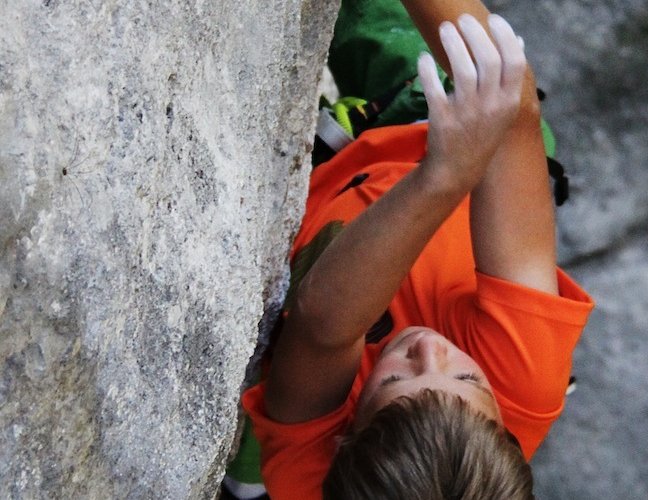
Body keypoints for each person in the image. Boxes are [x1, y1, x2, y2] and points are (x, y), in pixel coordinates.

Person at [237, 0, 594, 498]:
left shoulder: (312, 478)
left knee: (272, 394)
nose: (430, 349)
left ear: (342, 441)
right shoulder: (525, 380)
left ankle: (253, 453)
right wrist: (462, 147)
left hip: (379, 187)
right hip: (453, 141)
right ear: (508, 432)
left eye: (395, 382)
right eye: (469, 379)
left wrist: (443, 177)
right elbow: (511, 109)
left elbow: (322, 324)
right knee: (401, 36)